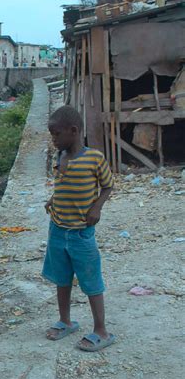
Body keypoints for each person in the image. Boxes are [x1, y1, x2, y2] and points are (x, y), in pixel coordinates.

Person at [43, 105, 115, 352]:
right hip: (58, 229)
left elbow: (107, 186)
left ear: (73, 131)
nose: (53, 140)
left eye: (56, 135)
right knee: (61, 278)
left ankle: (101, 330)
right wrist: (53, 200)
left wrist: (97, 208)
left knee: (91, 280)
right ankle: (65, 320)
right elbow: (63, 185)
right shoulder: (60, 157)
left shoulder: (94, 158)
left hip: (80, 233)